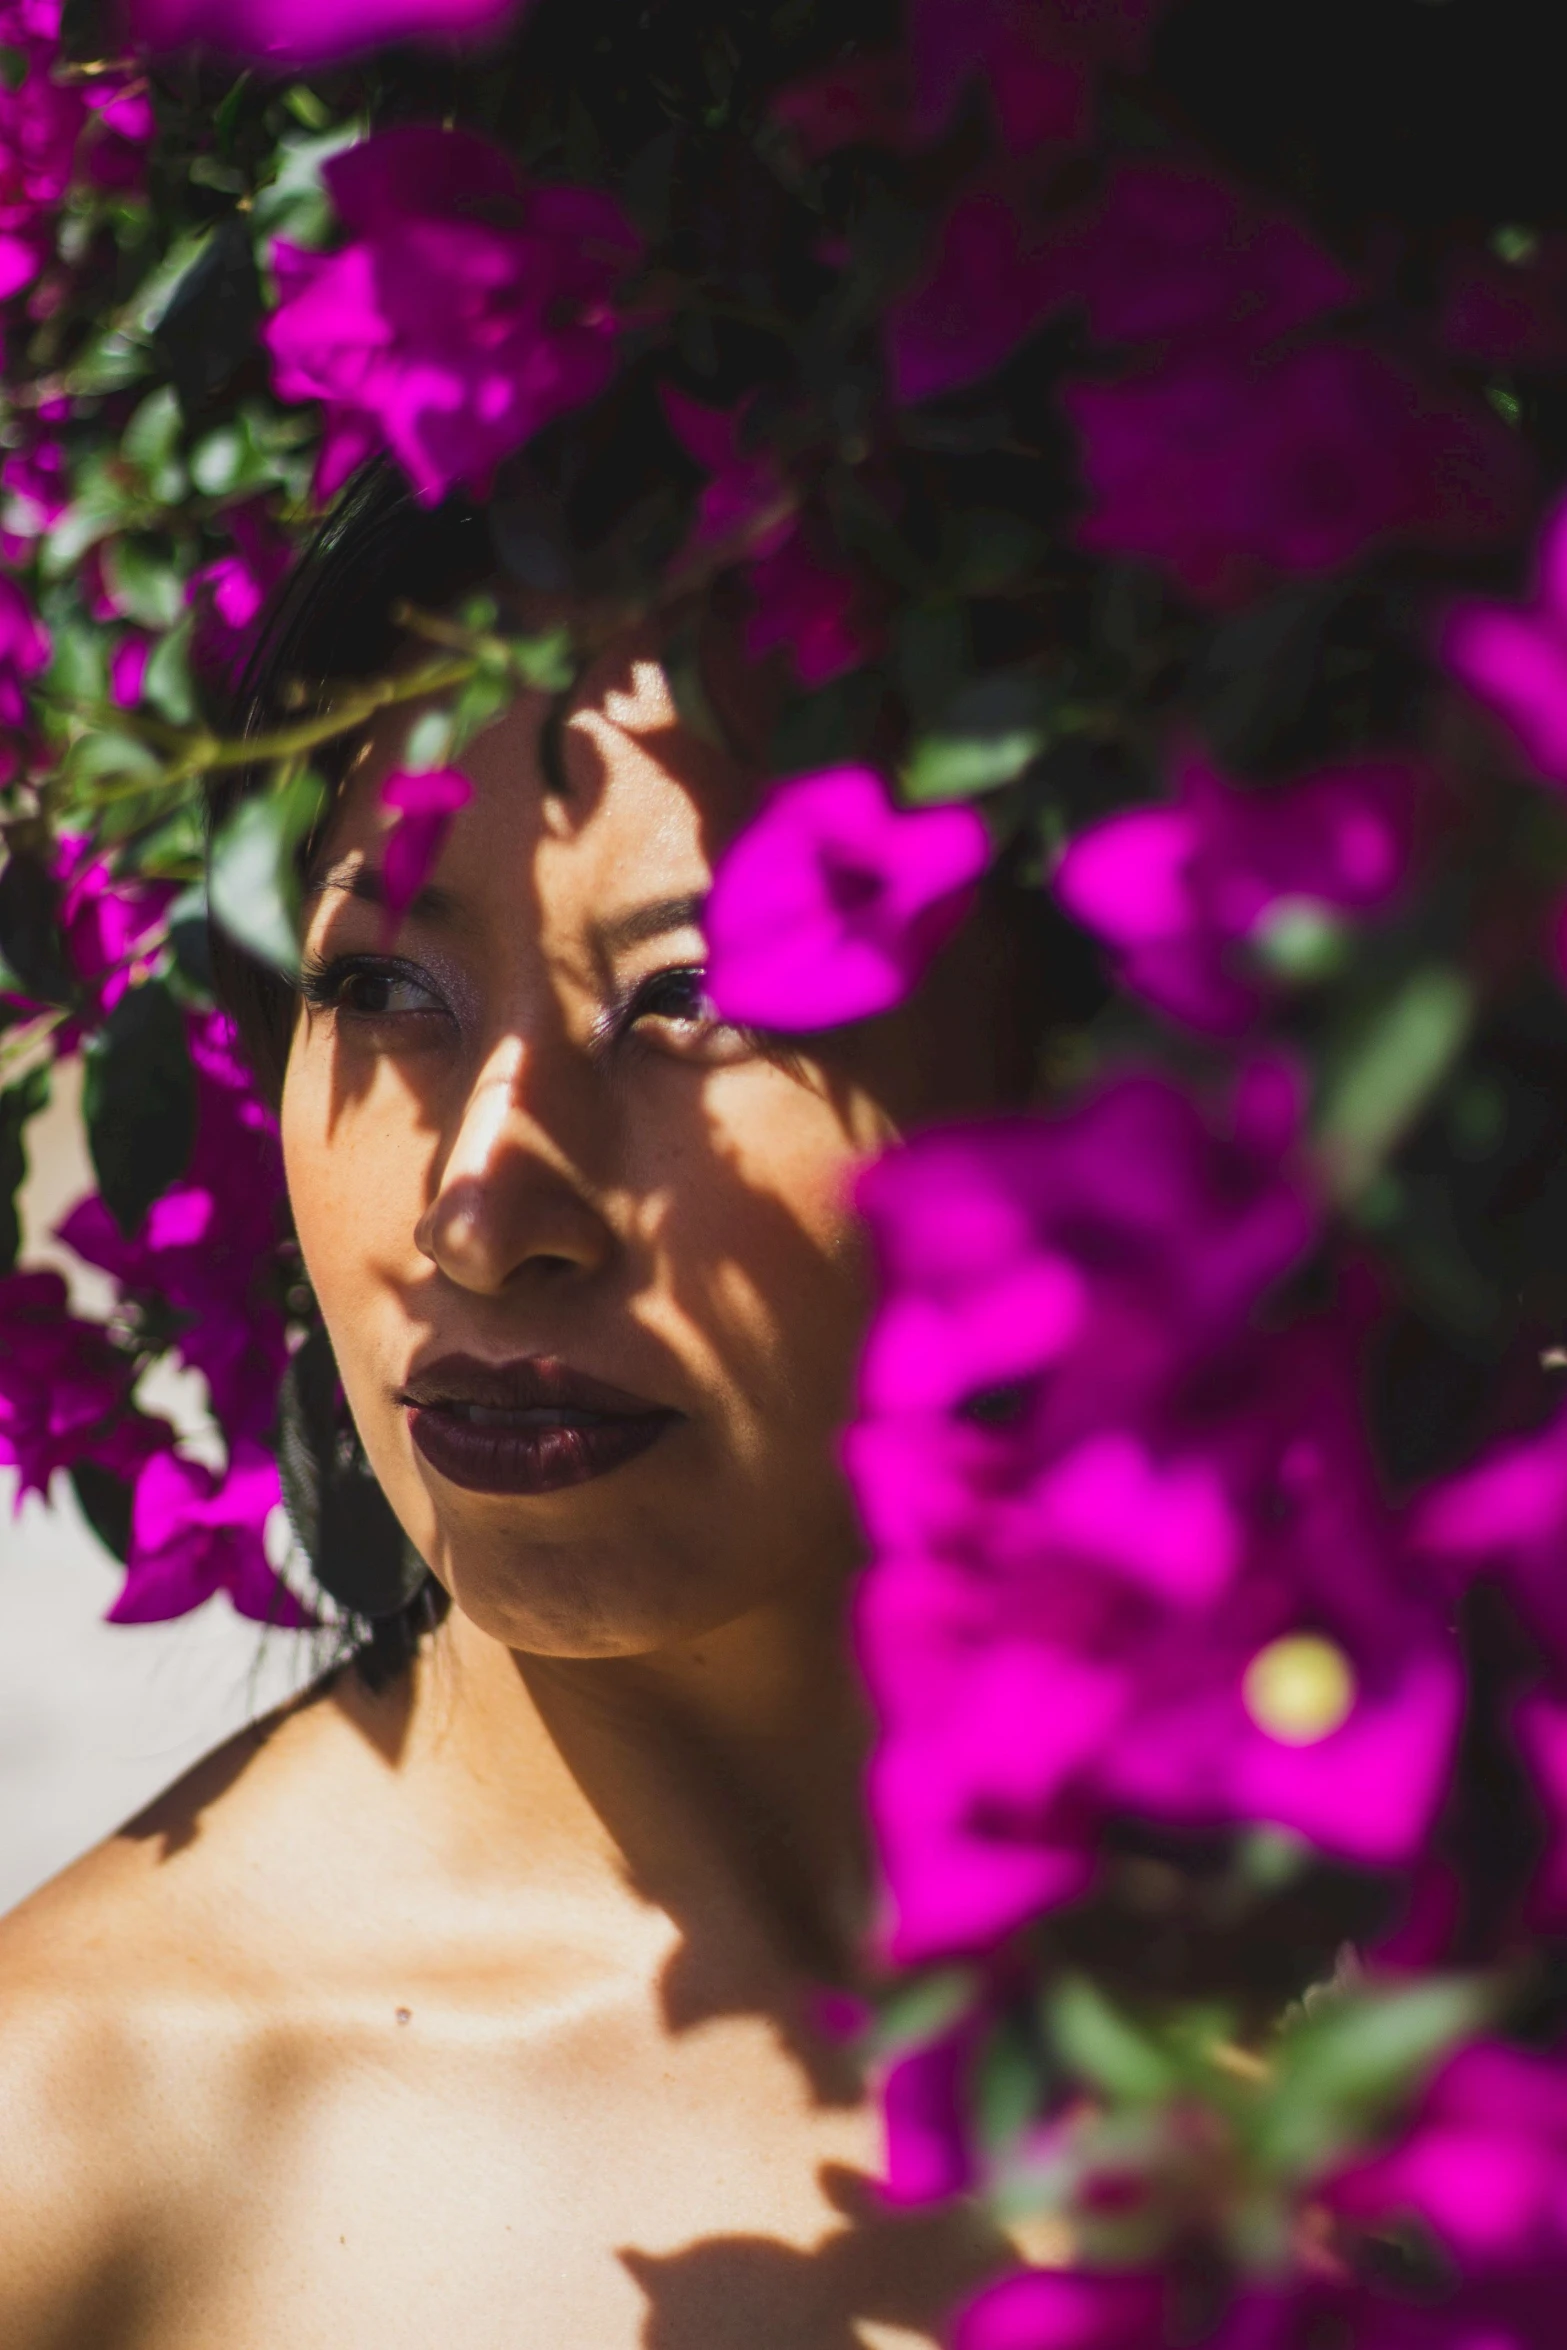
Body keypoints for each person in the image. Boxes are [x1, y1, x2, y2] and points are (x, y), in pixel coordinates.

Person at [0, 480, 1062, 2348]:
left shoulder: (1446, 1991)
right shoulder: (85, 2142)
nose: (480, 1212)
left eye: (699, 998)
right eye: (385, 984)